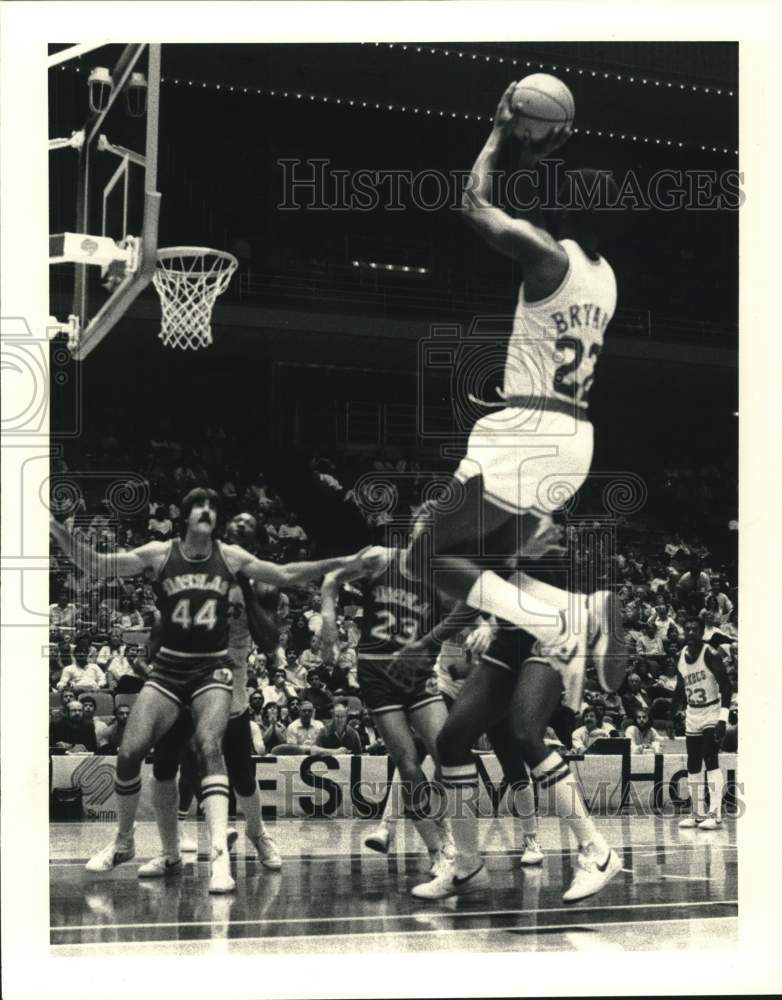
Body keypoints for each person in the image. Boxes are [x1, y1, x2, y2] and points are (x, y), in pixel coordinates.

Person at [400, 84, 626, 732]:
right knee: (489, 569)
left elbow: (473, 203)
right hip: (573, 438)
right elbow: (536, 201)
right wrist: (543, 151)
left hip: (526, 430)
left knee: (423, 557)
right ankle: (565, 608)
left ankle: (569, 618)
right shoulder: (606, 277)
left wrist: (501, 131)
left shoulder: (547, 258)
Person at [51, 487, 379, 894]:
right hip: (172, 671)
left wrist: (348, 562)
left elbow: (286, 582)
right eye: (199, 506)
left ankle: (233, 852)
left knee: (225, 760)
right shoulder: (162, 552)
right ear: (186, 516)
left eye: (214, 507)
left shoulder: (241, 567)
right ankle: (137, 843)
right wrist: (60, 534)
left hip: (219, 675)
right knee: (143, 756)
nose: (207, 512)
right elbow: (100, 566)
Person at [139, 512, 286, 879]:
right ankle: (171, 852)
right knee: (167, 763)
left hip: (228, 679)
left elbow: (270, 641)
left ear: (256, 545)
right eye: (233, 527)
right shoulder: (197, 567)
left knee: (242, 772)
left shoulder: (264, 584)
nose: (237, 531)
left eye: (247, 529)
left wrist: (246, 589)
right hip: (182, 677)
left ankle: (257, 832)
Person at [672, 619, 732, 830]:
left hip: (712, 711)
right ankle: (697, 813)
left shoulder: (711, 654)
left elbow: (726, 686)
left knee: (710, 756)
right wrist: (673, 714)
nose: (690, 632)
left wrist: (723, 719)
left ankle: (715, 814)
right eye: (687, 629)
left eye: (694, 629)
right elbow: (680, 687)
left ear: (701, 633)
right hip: (692, 712)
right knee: (693, 762)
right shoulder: (680, 656)